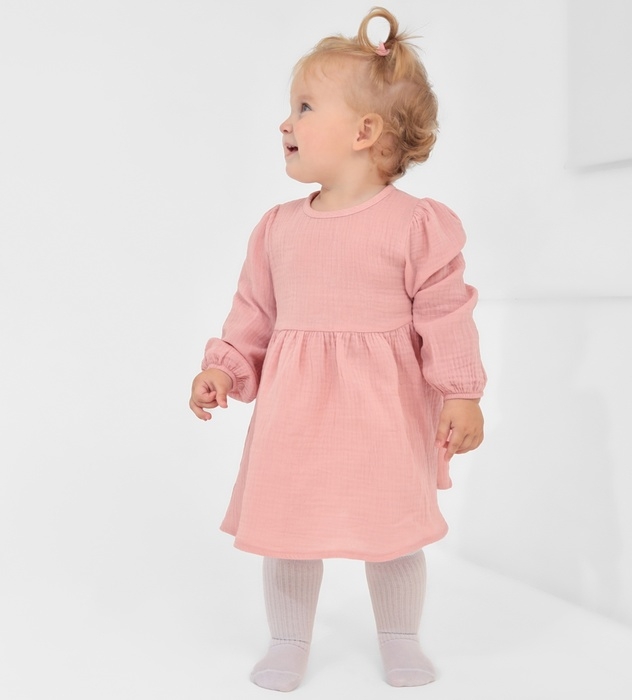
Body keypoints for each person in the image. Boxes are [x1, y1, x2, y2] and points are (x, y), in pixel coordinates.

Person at [189, 7, 486, 692]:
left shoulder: (414, 224)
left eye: (303, 107)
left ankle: (401, 638)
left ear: (364, 132)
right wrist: (224, 367)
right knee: (288, 527)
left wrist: (462, 391)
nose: (284, 123)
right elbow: (255, 312)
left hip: (384, 409)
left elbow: (445, 313)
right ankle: (287, 641)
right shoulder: (277, 228)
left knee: (394, 529)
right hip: (296, 410)